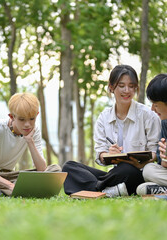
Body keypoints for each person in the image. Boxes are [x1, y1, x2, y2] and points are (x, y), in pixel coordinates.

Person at [62, 64, 161, 197]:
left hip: (136, 172)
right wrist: (108, 154)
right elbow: (100, 153)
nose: (127, 90)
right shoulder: (104, 117)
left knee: (126, 169)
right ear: (111, 87)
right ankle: (107, 190)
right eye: (121, 86)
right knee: (69, 167)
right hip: (115, 175)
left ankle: (96, 189)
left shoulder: (148, 115)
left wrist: (138, 161)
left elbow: (155, 153)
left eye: (131, 86)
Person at [0, 92, 60, 197]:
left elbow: (41, 169)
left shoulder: (35, 131)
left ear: (37, 115)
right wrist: (10, 185)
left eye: (32, 119)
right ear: (12, 116)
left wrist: (30, 141)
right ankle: (10, 190)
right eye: (21, 119)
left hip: (11, 175)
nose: (27, 124)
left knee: (55, 169)